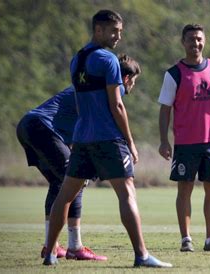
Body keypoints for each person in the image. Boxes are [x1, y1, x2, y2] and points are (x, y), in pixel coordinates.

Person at [42, 10, 172, 268]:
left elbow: (82, 103)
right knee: (127, 193)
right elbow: (117, 106)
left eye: (120, 32)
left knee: (65, 195)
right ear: (98, 30)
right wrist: (130, 142)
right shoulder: (108, 60)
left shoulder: (76, 60)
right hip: (108, 139)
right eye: (114, 31)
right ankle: (142, 255)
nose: (118, 37)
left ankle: (49, 253)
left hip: (82, 139)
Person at [17, 54, 140, 261]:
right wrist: (130, 143)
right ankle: (72, 247)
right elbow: (114, 114)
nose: (131, 86)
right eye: (134, 82)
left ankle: (54, 245)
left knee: (60, 183)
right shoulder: (113, 87)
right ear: (126, 78)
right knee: (75, 180)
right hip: (42, 127)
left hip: (27, 126)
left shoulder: (90, 87)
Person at [158, 24, 210, 252]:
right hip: (186, 143)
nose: (195, 43)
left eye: (199, 39)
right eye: (191, 39)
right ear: (183, 42)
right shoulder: (174, 74)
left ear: (205, 41)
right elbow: (165, 109)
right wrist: (163, 140)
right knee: (185, 190)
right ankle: (186, 239)